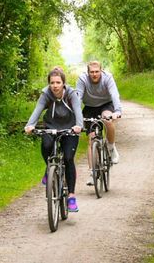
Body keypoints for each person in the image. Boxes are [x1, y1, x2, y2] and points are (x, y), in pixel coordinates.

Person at [25, 66, 84, 213]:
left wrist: (79, 126)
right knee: (46, 145)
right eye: (52, 83)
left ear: (63, 83)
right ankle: (49, 168)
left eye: (58, 82)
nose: (55, 86)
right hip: (51, 127)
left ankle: (71, 196)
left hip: (70, 129)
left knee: (68, 159)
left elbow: (78, 111)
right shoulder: (46, 95)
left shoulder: (71, 94)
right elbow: (37, 110)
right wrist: (30, 125)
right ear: (49, 83)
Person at [76, 60, 122, 181]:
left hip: (106, 104)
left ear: (101, 71)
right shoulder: (82, 79)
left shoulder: (107, 77)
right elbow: (78, 98)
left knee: (107, 120)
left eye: (97, 72)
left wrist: (117, 111)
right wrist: (75, 116)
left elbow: (114, 94)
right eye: (92, 72)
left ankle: (111, 148)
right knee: (91, 139)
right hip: (90, 107)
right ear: (88, 72)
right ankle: (92, 173)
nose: (95, 74)